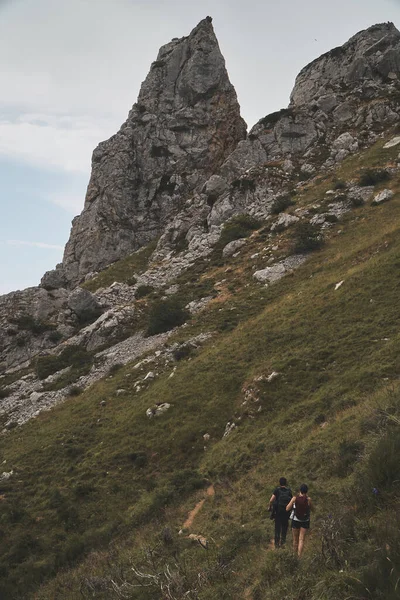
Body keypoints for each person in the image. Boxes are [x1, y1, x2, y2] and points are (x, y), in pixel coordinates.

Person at [286, 483, 312, 557]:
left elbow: (287, 508)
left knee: (295, 539)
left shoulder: (295, 498)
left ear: (300, 490)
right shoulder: (308, 499)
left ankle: (294, 556)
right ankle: (299, 557)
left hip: (295, 520)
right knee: (301, 539)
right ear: (307, 491)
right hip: (305, 520)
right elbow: (313, 509)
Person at [268, 477, 292, 548]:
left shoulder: (277, 490)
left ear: (279, 483)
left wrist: (270, 507)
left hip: (278, 512)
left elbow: (271, 500)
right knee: (284, 527)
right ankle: (283, 543)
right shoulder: (289, 491)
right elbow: (292, 501)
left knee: (277, 528)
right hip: (286, 512)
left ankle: (276, 544)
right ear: (286, 483)